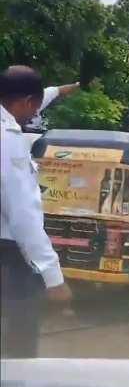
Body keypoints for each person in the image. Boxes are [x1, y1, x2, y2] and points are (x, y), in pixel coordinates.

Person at [0, 66, 72, 358]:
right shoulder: (8, 140)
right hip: (9, 257)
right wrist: (53, 278)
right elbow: (23, 216)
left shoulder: (9, 111)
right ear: (25, 102)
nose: (34, 115)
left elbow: (37, 100)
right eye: (33, 107)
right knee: (19, 344)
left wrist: (61, 90)